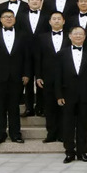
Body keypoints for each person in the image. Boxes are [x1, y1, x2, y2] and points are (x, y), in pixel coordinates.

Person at [0, 11, 32, 144]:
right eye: (5, 17)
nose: (8, 19)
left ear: (15, 19)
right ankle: (0, 134)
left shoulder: (23, 35)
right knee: (0, 106)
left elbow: (27, 57)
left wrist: (27, 74)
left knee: (14, 106)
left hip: (17, 76)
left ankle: (15, 134)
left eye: (11, 17)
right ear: (0, 20)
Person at [55, 26, 87, 163]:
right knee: (68, 124)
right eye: (75, 34)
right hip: (67, 95)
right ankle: (69, 152)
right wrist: (59, 95)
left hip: (85, 95)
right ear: (70, 36)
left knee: (83, 124)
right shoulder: (61, 54)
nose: (78, 36)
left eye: (81, 34)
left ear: (85, 37)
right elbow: (57, 76)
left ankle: (82, 152)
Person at [35, 11, 67, 143]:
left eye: (59, 18)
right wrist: (38, 76)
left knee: (64, 106)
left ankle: (63, 133)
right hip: (47, 77)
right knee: (49, 106)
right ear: (49, 22)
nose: (57, 21)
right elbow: (38, 58)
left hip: (66, 77)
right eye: (54, 19)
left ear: (64, 21)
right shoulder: (42, 37)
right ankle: (51, 133)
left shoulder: (70, 36)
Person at [21, 0, 45, 117]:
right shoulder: (21, 16)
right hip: (26, 53)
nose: (35, 1)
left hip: (42, 53)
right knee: (28, 81)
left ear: (41, 2)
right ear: (28, 1)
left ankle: (40, 107)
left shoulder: (46, 17)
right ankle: (29, 107)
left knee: (41, 80)